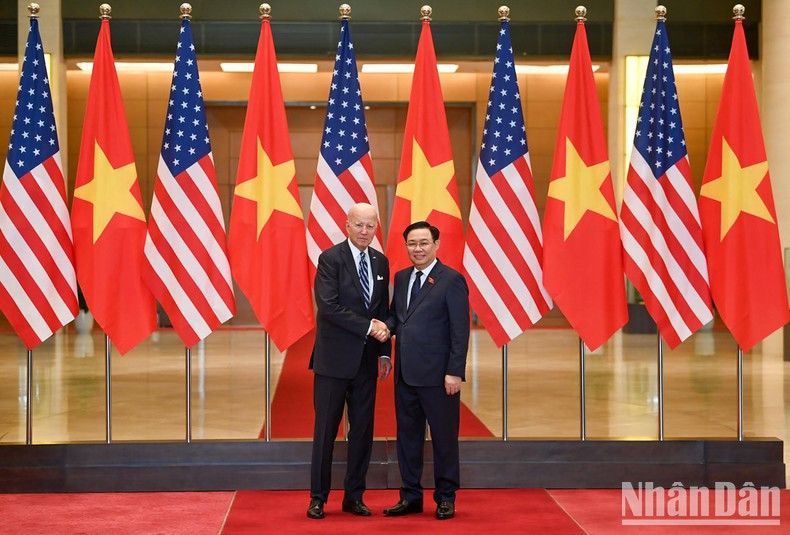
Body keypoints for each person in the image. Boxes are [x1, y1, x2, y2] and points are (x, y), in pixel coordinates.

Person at [307, 203, 392, 520]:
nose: (364, 231)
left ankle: (354, 496)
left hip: (367, 362)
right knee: (325, 432)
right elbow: (328, 307)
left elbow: (382, 309)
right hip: (333, 362)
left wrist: (385, 351)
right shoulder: (330, 259)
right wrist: (369, 327)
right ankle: (318, 497)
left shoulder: (380, 261)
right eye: (359, 225)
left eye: (370, 226)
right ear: (347, 225)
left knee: (362, 433)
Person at [383, 221, 470, 520]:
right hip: (406, 374)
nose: (417, 249)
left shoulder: (451, 279)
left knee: (444, 438)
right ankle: (411, 496)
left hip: (439, 376)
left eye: (423, 243)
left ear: (436, 244)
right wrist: (383, 328)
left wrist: (455, 372)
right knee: (407, 437)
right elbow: (398, 317)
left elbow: (460, 330)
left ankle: (446, 497)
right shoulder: (403, 277)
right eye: (411, 244)